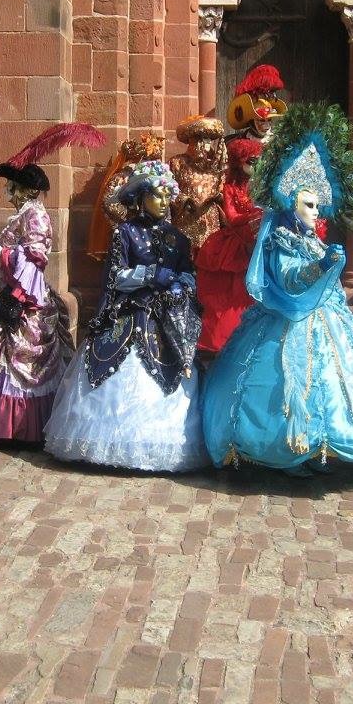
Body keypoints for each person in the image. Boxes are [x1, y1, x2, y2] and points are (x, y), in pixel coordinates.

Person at [203, 103, 353, 472]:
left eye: (319, 205)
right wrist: (321, 267)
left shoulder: (315, 241)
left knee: (336, 381)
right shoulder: (280, 239)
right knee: (281, 384)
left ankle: (323, 445)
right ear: (291, 203)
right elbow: (288, 280)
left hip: (325, 322)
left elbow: (329, 289)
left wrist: (327, 265)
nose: (315, 212)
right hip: (283, 322)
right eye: (308, 204)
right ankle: (289, 447)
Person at [45, 160, 207, 472]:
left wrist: (180, 285)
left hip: (166, 320)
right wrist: (149, 275)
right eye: (156, 195)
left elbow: (188, 272)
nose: (163, 202)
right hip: (131, 316)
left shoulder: (178, 237)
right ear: (141, 197)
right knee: (112, 365)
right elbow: (114, 277)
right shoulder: (125, 233)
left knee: (171, 370)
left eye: (166, 195)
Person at [0, 123, 103, 442]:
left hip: (22, 294)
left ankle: (17, 428)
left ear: (22, 188)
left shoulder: (35, 215)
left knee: (19, 350)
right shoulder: (23, 214)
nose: (5, 191)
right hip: (5, 288)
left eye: (9, 185)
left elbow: (36, 257)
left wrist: (5, 256)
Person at [195, 137, 263, 352]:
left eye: (258, 161)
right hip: (236, 244)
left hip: (258, 241)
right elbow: (232, 216)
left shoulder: (260, 186)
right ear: (239, 162)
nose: (256, 166)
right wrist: (254, 217)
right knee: (232, 294)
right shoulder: (230, 187)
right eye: (251, 161)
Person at [85, 132, 166, 261]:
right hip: (126, 233)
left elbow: (164, 203)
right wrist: (131, 218)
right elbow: (108, 203)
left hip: (150, 233)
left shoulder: (155, 179)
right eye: (145, 160)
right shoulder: (120, 178)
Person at [168, 114, 228, 253]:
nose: (203, 144)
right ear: (190, 141)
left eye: (207, 140)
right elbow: (169, 189)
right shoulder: (177, 163)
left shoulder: (215, 167)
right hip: (185, 222)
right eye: (198, 139)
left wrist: (218, 197)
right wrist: (185, 200)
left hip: (209, 223)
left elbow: (223, 190)